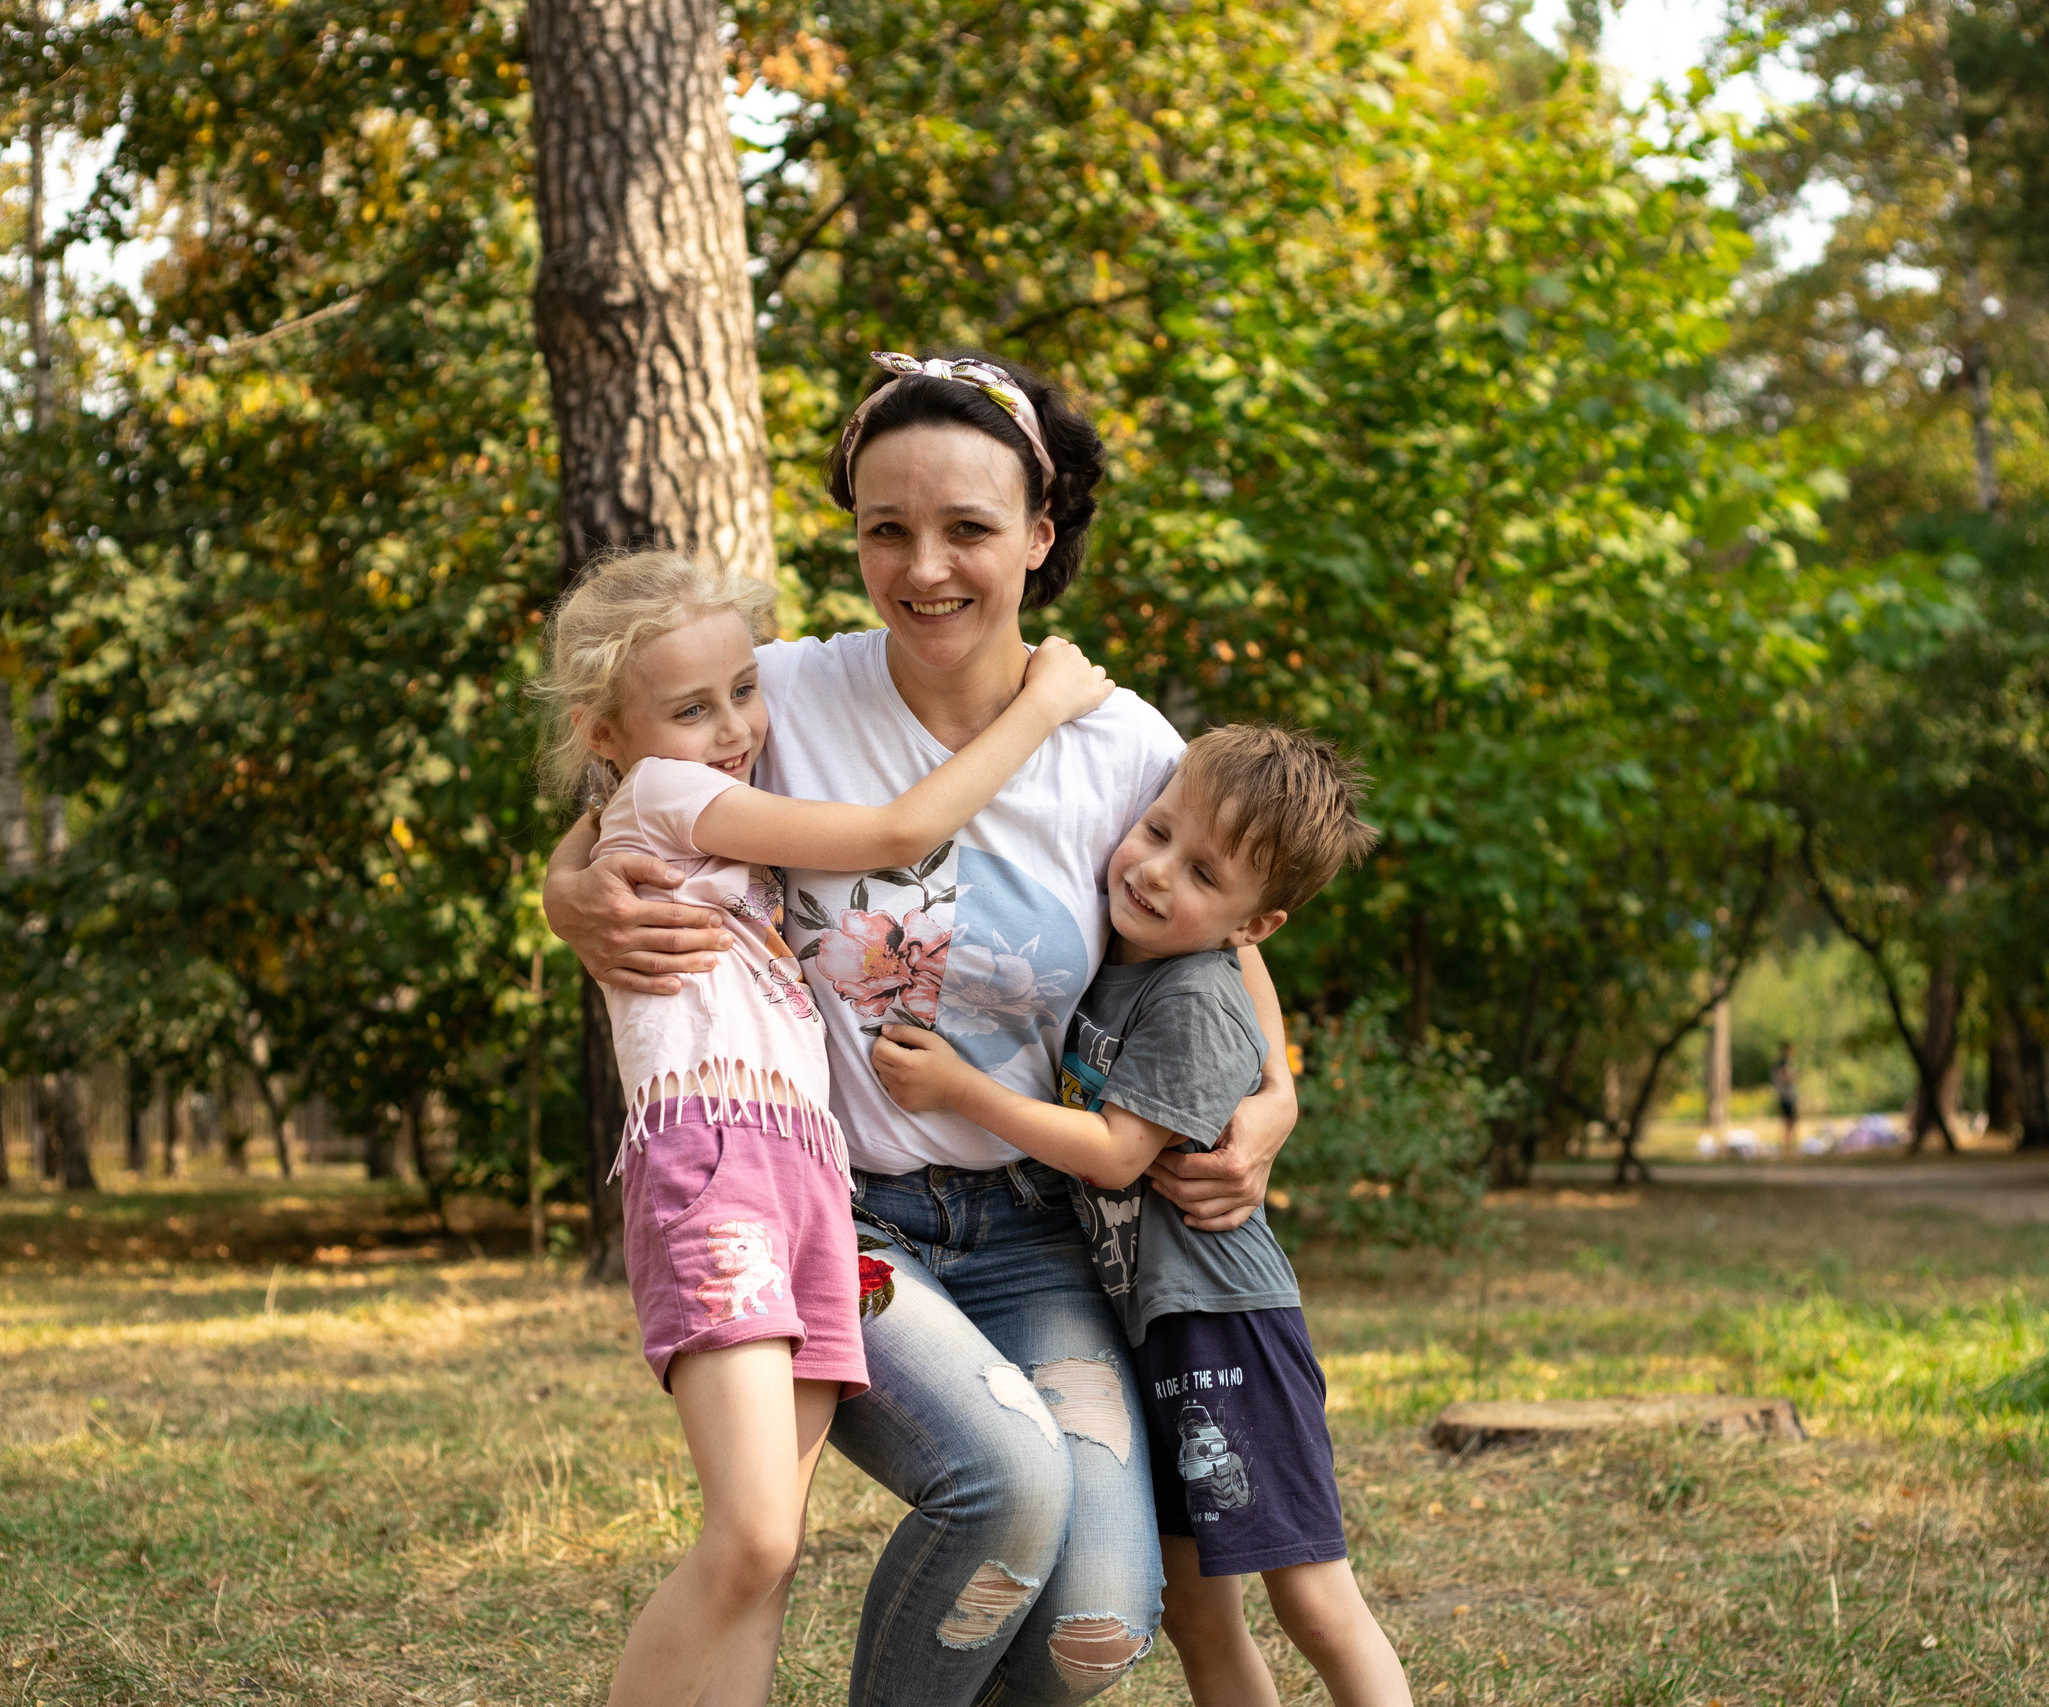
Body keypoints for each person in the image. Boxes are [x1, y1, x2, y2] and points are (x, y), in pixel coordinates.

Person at [542, 349, 1299, 1704]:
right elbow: (630, 783)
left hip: (1034, 1225)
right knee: (1004, 1489)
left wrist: (1275, 1104)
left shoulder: (1122, 745)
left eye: (968, 527)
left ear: (1041, 533)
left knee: (1103, 1613)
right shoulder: (784, 692)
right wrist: (566, 893)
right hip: (847, 1210)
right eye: (885, 527)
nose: (924, 564)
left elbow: (1228, 945)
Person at [535, 549, 1116, 1706]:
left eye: (742, 693)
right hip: (716, 1160)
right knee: (748, 1538)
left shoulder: (693, 793)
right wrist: (1044, 703)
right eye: (690, 709)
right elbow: (902, 834)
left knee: (775, 1553)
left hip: (805, 1171)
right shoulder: (662, 793)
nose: (735, 725)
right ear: (608, 733)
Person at [870, 725, 1408, 1707]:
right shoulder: (1123, 950)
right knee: (1202, 1614)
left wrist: (958, 1088)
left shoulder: (1194, 994)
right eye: (1155, 831)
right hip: (1145, 1324)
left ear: (1256, 927)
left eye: (1201, 872)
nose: (1155, 873)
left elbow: (1119, 1152)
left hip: (1223, 1326)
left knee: (1314, 1598)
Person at [1772, 1041, 1800, 1156]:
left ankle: (1789, 1145)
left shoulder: (1784, 1062)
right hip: (1786, 1096)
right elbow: (1785, 1078)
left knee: (1790, 1121)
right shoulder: (1783, 1063)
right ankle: (1787, 1147)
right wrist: (1794, 1077)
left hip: (1787, 1095)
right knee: (1789, 1121)